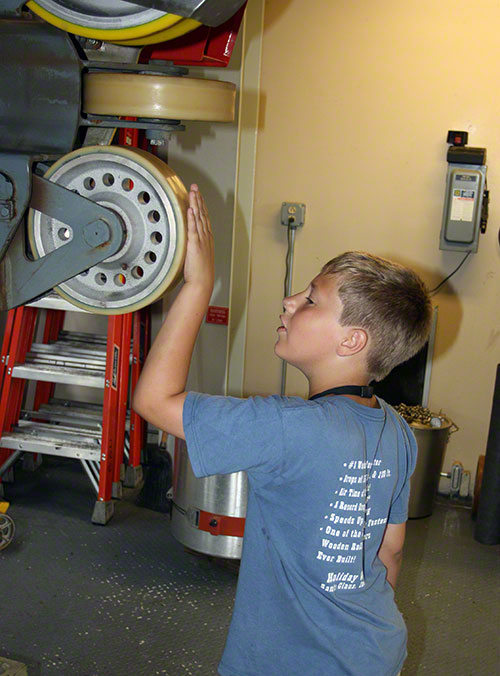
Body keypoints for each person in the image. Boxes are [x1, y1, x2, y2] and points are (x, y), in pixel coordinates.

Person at [132, 185, 433, 676]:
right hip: (373, 648)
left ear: (352, 340)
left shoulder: (287, 426)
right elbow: (389, 551)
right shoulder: (398, 431)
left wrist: (198, 285)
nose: (290, 301)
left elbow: (153, 401)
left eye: (311, 299)